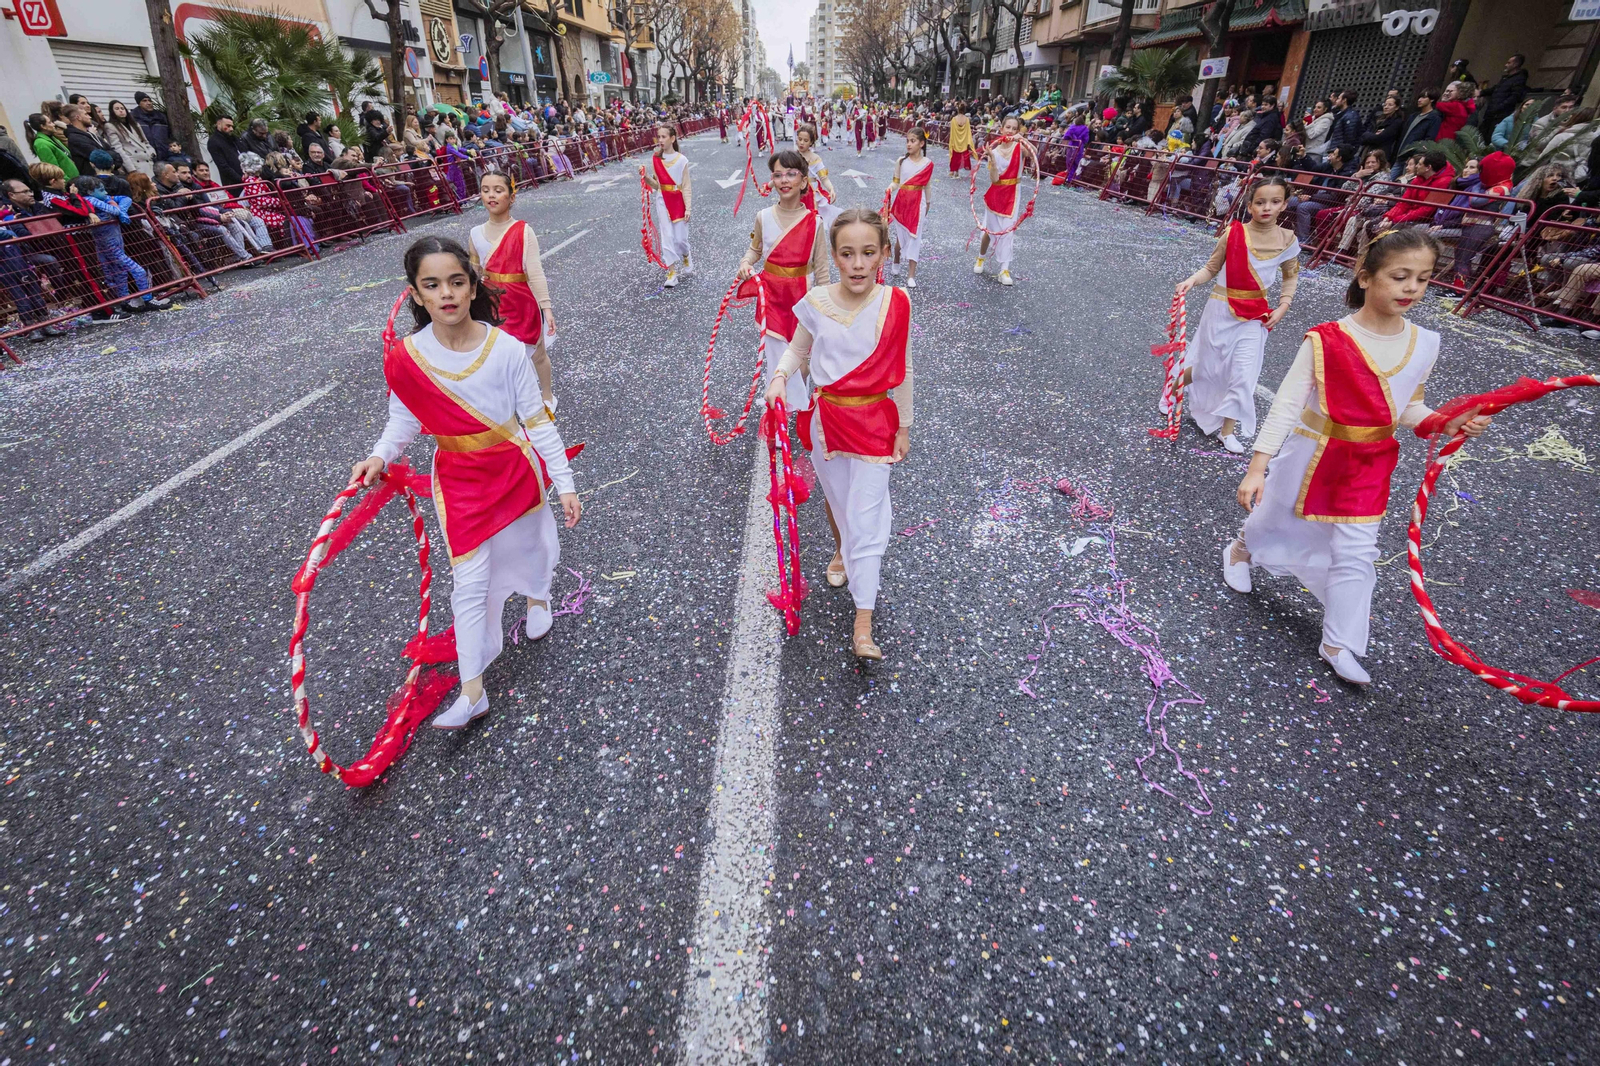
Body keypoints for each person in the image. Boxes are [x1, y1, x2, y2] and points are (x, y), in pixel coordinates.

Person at [1225, 228, 1492, 685]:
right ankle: (1241, 550)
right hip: (1312, 451)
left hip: (1371, 462)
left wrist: (1445, 421)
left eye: (1423, 279)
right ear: (1365, 277)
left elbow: (1406, 406)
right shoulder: (1325, 339)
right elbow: (1287, 405)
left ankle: (1339, 642)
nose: (1412, 288)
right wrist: (1256, 469)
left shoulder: (1426, 342)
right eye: (1400, 276)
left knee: (1357, 552)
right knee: (1275, 519)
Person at [353, 236, 581, 730]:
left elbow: (537, 419)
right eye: (431, 285)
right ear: (415, 294)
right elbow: (404, 420)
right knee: (469, 583)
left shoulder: (506, 347)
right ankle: (473, 690)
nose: (446, 294)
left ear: (472, 285)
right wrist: (380, 454)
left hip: (514, 469)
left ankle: (538, 596)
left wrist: (564, 481)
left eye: (456, 282)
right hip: (458, 481)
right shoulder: (406, 357)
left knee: (532, 546)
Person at [764, 208, 912, 661]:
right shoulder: (817, 301)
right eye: (847, 254)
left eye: (869, 253)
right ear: (835, 256)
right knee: (839, 503)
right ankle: (841, 551)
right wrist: (780, 377)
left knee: (865, 517)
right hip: (826, 424)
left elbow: (903, 370)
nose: (858, 263)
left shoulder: (896, 303)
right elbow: (798, 348)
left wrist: (904, 424)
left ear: (883, 254)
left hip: (875, 426)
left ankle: (862, 623)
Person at [1172, 176, 1300, 453]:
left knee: (1243, 374)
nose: (1267, 207)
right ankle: (1173, 388)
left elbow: (1290, 277)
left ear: (1284, 205)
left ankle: (1227, 431)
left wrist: (1283, 306)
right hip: (1221, 308)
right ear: (1250, 206)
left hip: (1256, 315)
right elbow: (1211, 268)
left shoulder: (1288, 240)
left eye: (1275, 202)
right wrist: (1191, 281)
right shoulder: (1234, 233)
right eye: (1260, 202)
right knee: (1209, 368)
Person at [468, 168, 557, 410]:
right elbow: (473, 274)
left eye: (498, 190)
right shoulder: (475, 234)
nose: (491, 196)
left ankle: (547, 396)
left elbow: (535, 272)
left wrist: (546, 308)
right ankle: (518, 402)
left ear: (511, 196)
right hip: (493, 304)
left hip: (522, 301)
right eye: (485, 190)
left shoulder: (523, 231)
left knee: (537, 353)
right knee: (503, 357)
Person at [735, 148, 830, 356]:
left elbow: (822, 270)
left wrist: (825, 308)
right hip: (772, 299)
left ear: (804, 182)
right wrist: (745, 262)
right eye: (778, 175)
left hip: (802, 300)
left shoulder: (815, 223)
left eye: (790, 174)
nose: (784, 180)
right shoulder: (763, 216)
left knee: (801, 366)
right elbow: (755, 250)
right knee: (776, 362)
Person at [68, 174, 174, 315]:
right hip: (108, 246)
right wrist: (117, 208)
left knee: (120, 274)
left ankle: (125, 302)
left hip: (116, 243)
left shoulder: (103, 198)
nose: (106, 193)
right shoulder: (90, 200)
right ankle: (147, 298)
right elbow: (114, 210)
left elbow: (126, 199)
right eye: (101, 190)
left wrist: (121, 210)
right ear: (89, 192)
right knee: (138, 271)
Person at [973, 114, 1027, 286]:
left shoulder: (1020, 148)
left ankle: (1004, 269)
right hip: (997, 193)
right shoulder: (994, 151)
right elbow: (994, 179)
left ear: (1017, 131)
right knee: (990, 231)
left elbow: (1034, 156)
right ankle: (981, 258)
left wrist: (1023, 140)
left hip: (1013, 193)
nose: (1010, 131)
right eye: (1008, 127)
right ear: (1001, 129)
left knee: (1007, 231)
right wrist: (992, 159)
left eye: (1014, 128)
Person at [639, 123, 692, 288]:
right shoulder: (656, 159)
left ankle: (686, 254)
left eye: (663, 137)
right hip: (662, 199)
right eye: (659, 136)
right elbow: (657, 186)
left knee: (680, 239)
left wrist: (688, 207)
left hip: (678, 201)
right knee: (667, 236)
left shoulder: (682, 160)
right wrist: (646, 177)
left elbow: (686, 185)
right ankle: (672, 272)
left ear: (672, 138)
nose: (660, 140)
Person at [886, 127, 934, 288]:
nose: (909, 144)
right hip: (902, 203)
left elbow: (927, 185)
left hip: (918, 203)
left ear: (921, 143)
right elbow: (896, 182)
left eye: (912, 141)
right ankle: (897, 259)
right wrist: (890, 188)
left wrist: (928, 203)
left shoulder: (927, 164)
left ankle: (911, 275)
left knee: (915, 238)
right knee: (901, 238)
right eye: (907, 141)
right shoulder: (901, 161)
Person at [794, 124, 839, 228]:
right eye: (800, 139)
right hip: (796, 191)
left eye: (805, 140)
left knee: (812, 221)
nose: (801, 143)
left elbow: (824, 178)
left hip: (812, 192)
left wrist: (831, 189)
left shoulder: (815, 158)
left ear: (811, 142)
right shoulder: (792, 156)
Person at [1477, 53, 1529, 135]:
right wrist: (1481, 92)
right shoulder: (1505, 78)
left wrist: (1499, 107)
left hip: (1500, 115)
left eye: (1509, 63)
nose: (1506, 65)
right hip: (1491, 113)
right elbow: (1495, 89)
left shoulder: (1519, 79)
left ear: (1515, 64)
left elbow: (1514, 97)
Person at [103, 100, 155, 173]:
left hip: (148, 160)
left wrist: (151, 153)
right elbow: (118, 148)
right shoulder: (110, 126)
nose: (121, 111)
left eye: (122, 108)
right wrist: (131, 168)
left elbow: (145, 141)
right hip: (134, 163)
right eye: (117, 109)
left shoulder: (135, 124)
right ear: (112, 111)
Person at [28, 114, 78, 180]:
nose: (53, 124)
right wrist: (67, 182)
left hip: (75, 177)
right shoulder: (41, 144)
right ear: (43, 126)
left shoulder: (51, 137)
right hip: (69, 182)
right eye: (50, 122)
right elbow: (54, 168)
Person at [131, 92, 172, 159]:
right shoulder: (133, 118)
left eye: (150, 100)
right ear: (139, 103)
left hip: (165, 156)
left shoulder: (161, 116)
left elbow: (170, 135)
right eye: (144, 101)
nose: (149, 103)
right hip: (146, 157)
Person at [948, 104, 974, 174]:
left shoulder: (954, 119)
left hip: (956, 139)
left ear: (958, 110)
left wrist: (952, 140)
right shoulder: (967, 119)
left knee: (955, 155)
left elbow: (952, 131)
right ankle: (956, 171)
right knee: (960, 156)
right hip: (963, 140)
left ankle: (953, 170)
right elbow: (968, 131)